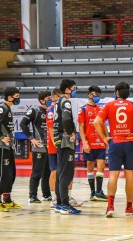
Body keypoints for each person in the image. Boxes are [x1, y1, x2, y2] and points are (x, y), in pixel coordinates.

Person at [94, 82, 133, 218]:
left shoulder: (109, 105)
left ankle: (110, 207)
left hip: (115, 142)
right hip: (130, 142)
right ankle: (129, 208)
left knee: (113, 175)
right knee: (130, 175)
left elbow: (96, 122)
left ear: (117, 92)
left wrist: (104, 138)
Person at [0, 87, 22, 212]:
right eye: (16, 96)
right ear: (9, 97)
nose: (18, 98)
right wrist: (2, 137)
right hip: (0, 147)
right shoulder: (2, 108)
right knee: (1, 173)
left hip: (8, 147)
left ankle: (7, 199)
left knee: (10, 173)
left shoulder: (8, 109)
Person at [53, 79, 81, 214]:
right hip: (65, 140)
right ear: (68, 89)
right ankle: (64, 204)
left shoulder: (58, 101)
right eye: (73, 88)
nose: (75, 90)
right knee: (66, 172)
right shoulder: (65, 101)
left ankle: (59, 203)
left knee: (60, 171)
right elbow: (66, 118)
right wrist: (71, 133)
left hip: (58, 139)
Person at [20, 90, 52, 203]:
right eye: (48, 98)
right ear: (42, 100)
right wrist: (31, 138)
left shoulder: (52, 110)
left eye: (51, 97)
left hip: (50, 145)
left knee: (47, 171)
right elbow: (23, 123)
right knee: (37, 171)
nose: (50, 100)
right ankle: (32, 195)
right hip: (39, 145)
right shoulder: (35, 110)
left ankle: (46, 194)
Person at [78, 86, 108, 201]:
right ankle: (92, 192)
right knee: (90, 167)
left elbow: (103, 125)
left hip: (100, 142)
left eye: (99, 95)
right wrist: (84, 143)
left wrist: (106, 137)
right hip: (89, 143)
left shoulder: (101, 108)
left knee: (101, 166)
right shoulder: (83, 109)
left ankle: (99, 191)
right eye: (96, 94)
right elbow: (81, 127)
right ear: (90, 95)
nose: (97, 97)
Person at [46, 88, 62, 207]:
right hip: (53, 146)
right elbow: (51, 129)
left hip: (61, 143)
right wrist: (55, 143)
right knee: (54, 171)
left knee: (64, 171)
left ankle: (64, 196)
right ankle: (53, 198)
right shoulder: (51, 110)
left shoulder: (59, 108)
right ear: (55, 96)